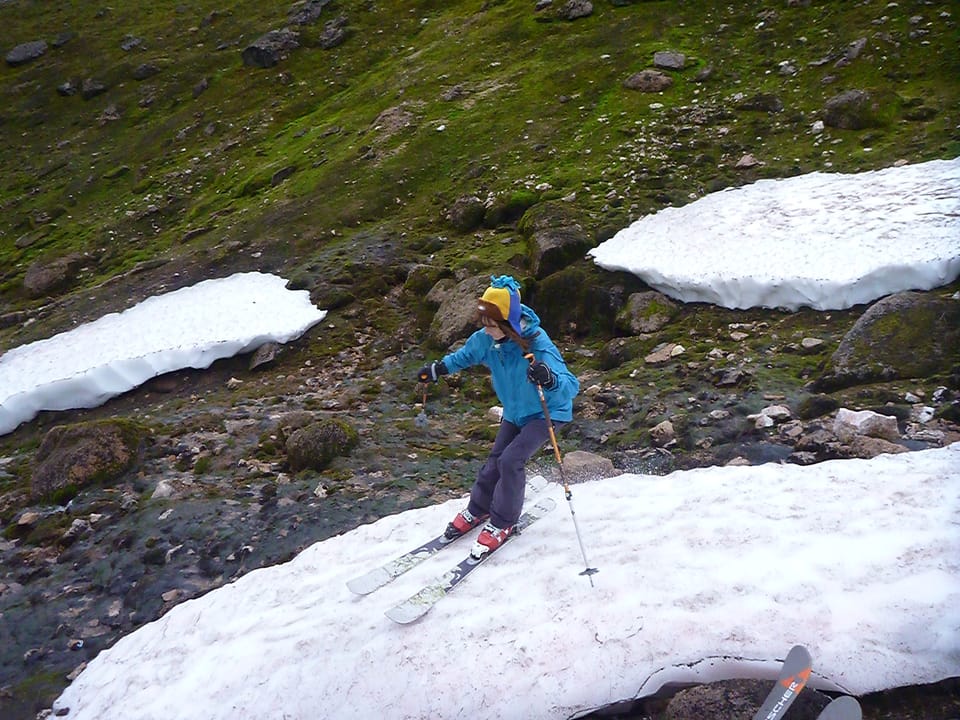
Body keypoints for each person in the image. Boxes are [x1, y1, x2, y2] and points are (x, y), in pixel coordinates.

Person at [417, 275, 579, 557]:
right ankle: (478, 510)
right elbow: (465, 356)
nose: (486, 329)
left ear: (508, 322)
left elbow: (570, 386)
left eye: (492, 324)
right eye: (484, 323)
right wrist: (438, 369)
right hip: (515, 413)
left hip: (546, 413)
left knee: (511, 460)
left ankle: (504, 521)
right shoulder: (485, 341)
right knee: (494, 461)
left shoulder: (536, 344)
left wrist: (549, 378)